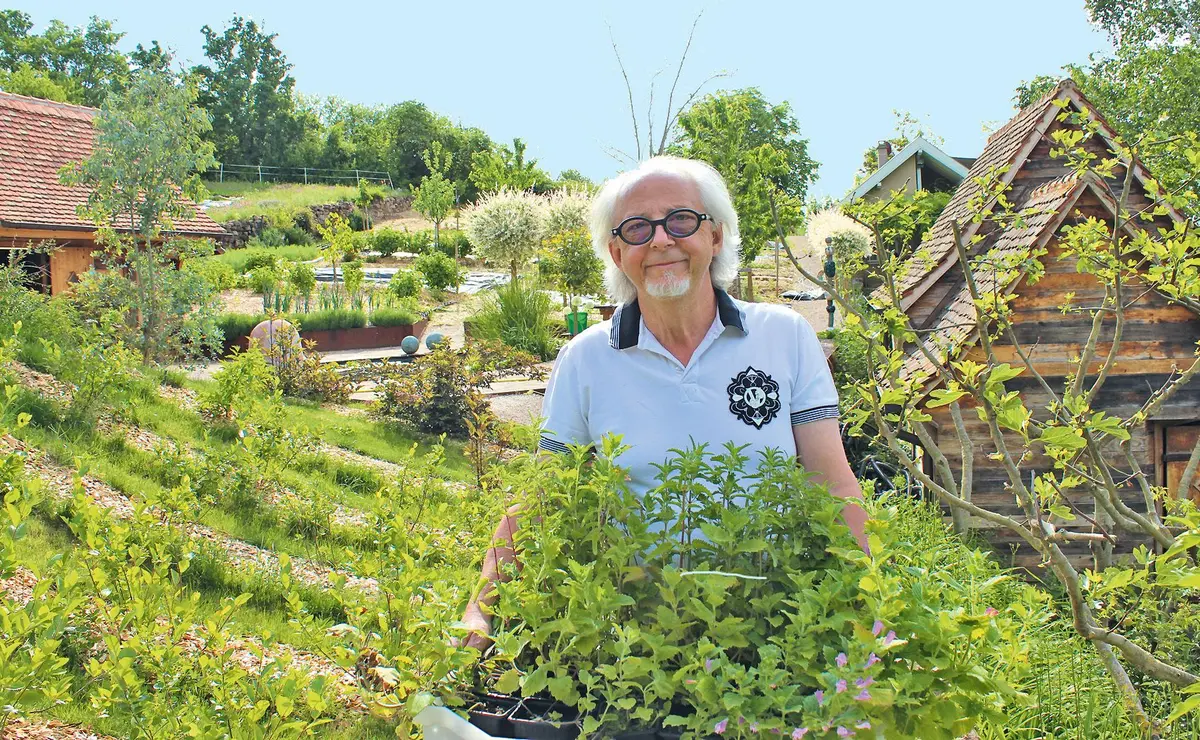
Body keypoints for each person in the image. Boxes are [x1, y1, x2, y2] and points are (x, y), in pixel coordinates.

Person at [459, 156, 868, 649]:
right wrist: (478, 611)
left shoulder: (785, 336)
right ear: (615, 252)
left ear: (715, 236)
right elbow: (541, 498)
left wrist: (874, 600)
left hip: (773, 629)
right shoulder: (586, 358)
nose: (659, 240)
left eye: (680, 220)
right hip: (635, 645)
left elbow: (832, 482)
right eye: (636, 228)